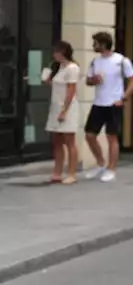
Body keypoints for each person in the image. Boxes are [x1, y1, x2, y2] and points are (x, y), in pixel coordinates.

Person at [83, 32, 133, 182]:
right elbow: (88, 81)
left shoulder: (121, 61)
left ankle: (111, 169)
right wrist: (94, 80)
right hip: (98, 103)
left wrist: (124, 97)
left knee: (111, 137)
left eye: (95, 43)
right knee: (89, 135)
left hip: (113, 103)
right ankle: (100, 163)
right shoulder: (95, 62)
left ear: (103, 44)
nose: (93, 46)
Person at [43, 41, 81, 185]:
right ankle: (57, 172)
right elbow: (57, 86)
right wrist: (48, 80)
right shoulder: (59, 67)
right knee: (57, 141)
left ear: (63, 52)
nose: (54, 55)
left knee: (69, 141)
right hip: (55, 106)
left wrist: (64, 111)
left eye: (56, 52)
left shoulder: (72, 68)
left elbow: (71, 91)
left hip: (67, 107)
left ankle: (72, 173)